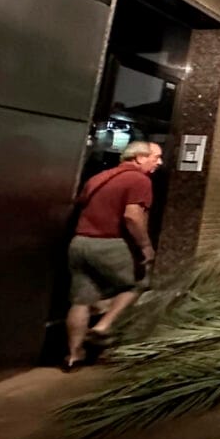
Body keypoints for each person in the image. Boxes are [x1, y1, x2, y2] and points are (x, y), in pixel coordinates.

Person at [64, 140, 163, 370]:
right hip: (111, 243)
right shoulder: (139, 180)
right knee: (137, 284)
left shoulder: (99, 177)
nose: (159, 162)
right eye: (155, 157)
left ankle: (73, 355)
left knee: (80, 300)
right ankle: (102, 327)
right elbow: (132, 216)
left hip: (80, 243)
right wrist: (146, 246)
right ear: (139, 158)